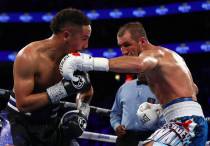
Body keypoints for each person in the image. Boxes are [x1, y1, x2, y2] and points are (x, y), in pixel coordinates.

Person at [60, 22, 208, 146]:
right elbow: (193, 88)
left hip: (187, 122)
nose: (123, 51)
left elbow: (139, 64)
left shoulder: (154, 54)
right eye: (120, 46)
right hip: (187, 120)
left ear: (142, 41)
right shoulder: (170, 57)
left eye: (127, 45)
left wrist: (88, 62)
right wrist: (160, 108)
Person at [6, 8, 93, 146]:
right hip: (19, 123)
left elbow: (86, 90)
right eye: (84, 39)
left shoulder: (73, 60)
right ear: (66, 35)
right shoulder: (29, 56)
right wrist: (61, 90)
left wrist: (82, 114)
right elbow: (22, 104)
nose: (86, 46)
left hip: (50, 124)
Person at [110, 73, 162, 146]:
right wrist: (117, 126)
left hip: (150, 138)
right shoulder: (124, 87)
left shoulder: (160, 90)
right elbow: (115, 114)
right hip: (125, 138)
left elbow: (166, 117)